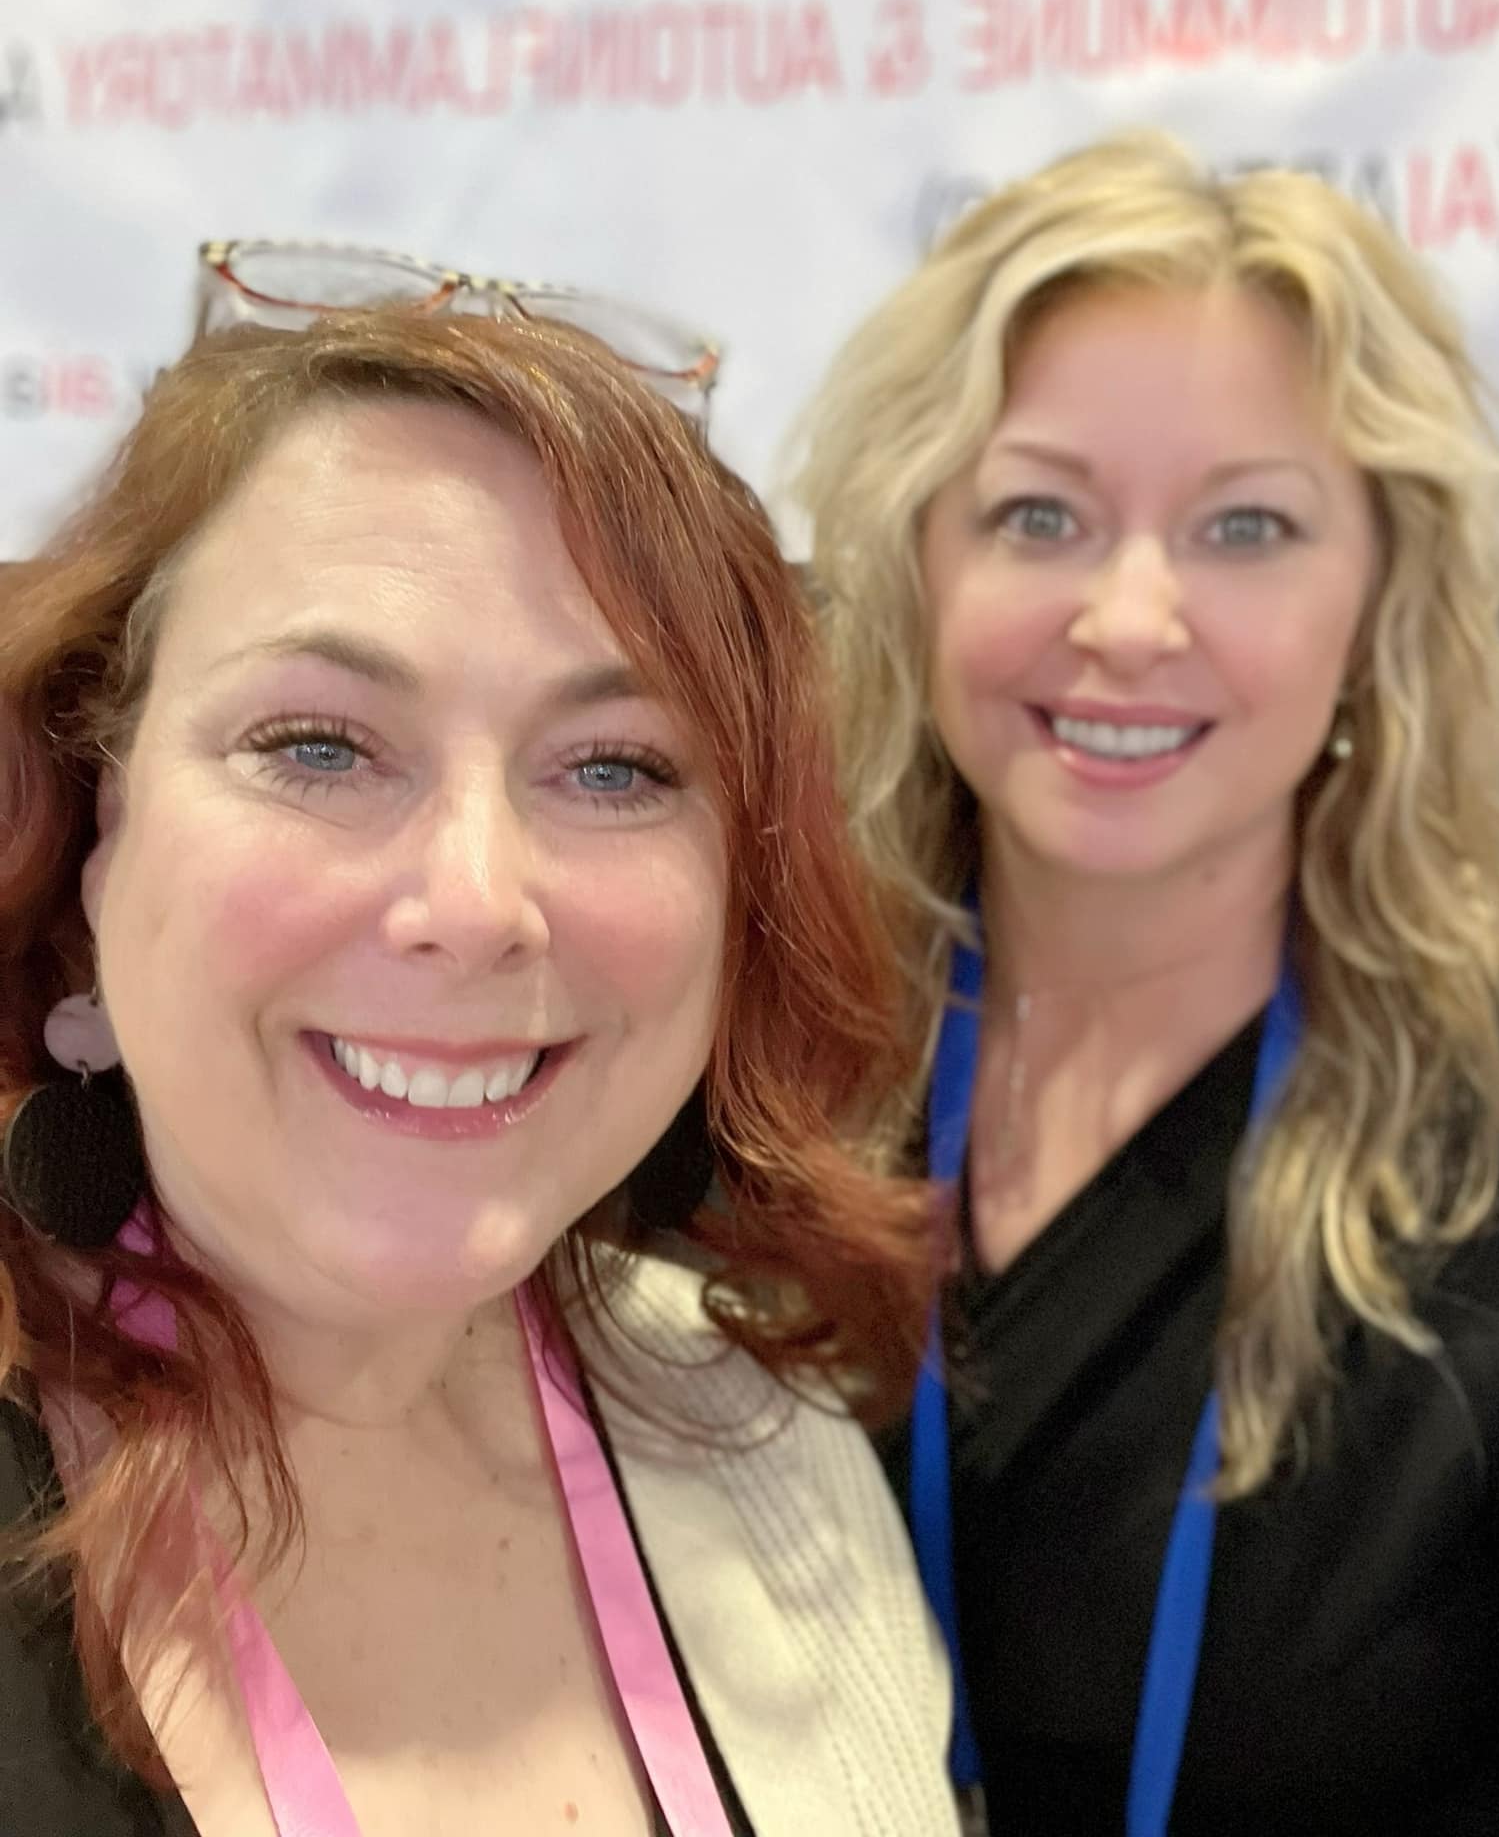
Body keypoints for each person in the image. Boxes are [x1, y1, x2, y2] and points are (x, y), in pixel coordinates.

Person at [0, 308, 962, 1837]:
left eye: (614, 767)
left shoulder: (762, 1440)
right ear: (99, 819)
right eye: (320, 746)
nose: (475, 901)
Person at [792, 129, 1499, 1836]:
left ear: (1381, 600)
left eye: (1246, 527)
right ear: (917, 560)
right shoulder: (748, 1082)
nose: (1130, 618)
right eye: (1039, 514)